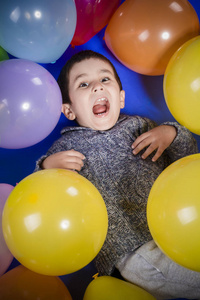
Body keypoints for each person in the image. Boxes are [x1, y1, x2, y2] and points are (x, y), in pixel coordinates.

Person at [35, 50, 200, 299]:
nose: (97, 88)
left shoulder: (140, 125)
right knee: (174, 272)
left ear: (120, 98)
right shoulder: (65, 148)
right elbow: (36, 198)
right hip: (130, 248)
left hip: (179, 224)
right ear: (69, 111)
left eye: (105, 80)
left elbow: (187, 162)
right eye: (83, 84)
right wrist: (46, 166)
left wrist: (170, 133)